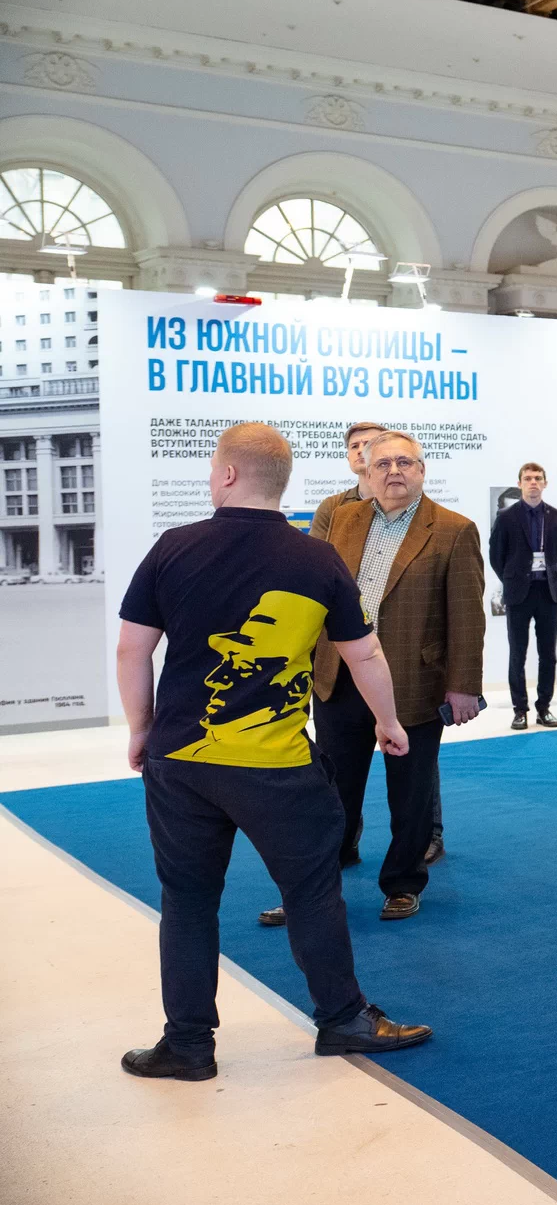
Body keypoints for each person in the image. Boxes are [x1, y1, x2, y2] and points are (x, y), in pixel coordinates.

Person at [115, 423, 431, 1081]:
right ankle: (342, 1018)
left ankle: (188, 1043)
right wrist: (388, 721)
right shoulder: (317, 559)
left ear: (228, 475)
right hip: (278, 767)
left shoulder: (173, 547)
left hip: (182, 763)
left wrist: (141, 729)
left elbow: (132, 649)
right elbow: (363, 652)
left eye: (213, 468)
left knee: (187, 902)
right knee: (312, 892)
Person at [276, 431, 485, 924]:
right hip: (339, 676)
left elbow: (466, 616)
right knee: (332, 792)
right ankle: (315, 887)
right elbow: (317, 594)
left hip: (414, 679)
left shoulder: (454, 530)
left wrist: (463, 686)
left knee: (410, 795)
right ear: (367, 474)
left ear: (422, 470)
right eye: (383, 464)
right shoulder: (344, 519)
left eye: (404, 463)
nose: (394, 471)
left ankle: (403, 884)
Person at [489, 461, 557, 731]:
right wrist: (512, 578)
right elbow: (496, 555)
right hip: (518, 593)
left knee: (548, 655)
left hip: (547, 592)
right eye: (528, 478)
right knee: (517, 654)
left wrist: (549, 573)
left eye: (537, 478)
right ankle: (520, 710)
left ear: (545, 483)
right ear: (520, 483)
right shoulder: (506, 516)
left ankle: (544, 707)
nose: (533, 482)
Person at [312, 420, 385, 537]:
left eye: (368, 444)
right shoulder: (331, 506)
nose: (360, 450)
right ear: (348, 458)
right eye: (354, 446)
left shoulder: (408, 503)